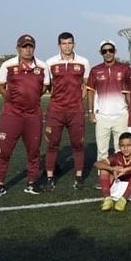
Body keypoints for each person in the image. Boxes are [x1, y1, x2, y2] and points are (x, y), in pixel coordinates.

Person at [0, 34, 50, 198]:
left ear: (34, 48)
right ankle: (0, 184)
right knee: (4, 151)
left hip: (33, 115)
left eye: (30, 46)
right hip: (12, 114)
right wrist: (9, 98)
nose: (28, 49)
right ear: (18, 48)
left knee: (33, 151)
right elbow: (0, 86)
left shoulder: (43, 67)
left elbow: (45, 87)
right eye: (24, 46)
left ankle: (32, 182)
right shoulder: (7, 65)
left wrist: (33, 97)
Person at [44, 32, 90, 190]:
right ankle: (50, 178)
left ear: (74, 44)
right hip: (56, 110)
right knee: (52, 145)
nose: (67, 46)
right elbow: (48, 85)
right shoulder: (50, 62)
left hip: (75, 110)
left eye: (70, 43)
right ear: (59, 45)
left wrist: (80, 97)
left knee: (78, 144)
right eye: (64, 43)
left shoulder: (83, 62)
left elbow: (86, 84)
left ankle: (79, 177)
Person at [87, 40, 130, 168]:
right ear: (101, 53)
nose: (108, 53)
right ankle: (103, 179)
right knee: (102, 151)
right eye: (104, 51)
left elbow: (130, 91)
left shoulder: (125, 69)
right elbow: (90, 91)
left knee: (121, 149)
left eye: (110, 50)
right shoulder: (95, 70)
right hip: (102, 116)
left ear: (115, 51)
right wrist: (90, 112)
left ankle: (120, 178)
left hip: (121, 115)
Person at [95, 132, 131, 212]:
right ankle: (107, 199)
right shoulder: (117, 156)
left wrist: (126, 169)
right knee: (104, 169)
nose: (125, 149)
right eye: (123, 146)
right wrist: (112, 168)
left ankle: (124, 199)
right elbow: (97, 163)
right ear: (119, 146)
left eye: (129, 145)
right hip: (117, 188)